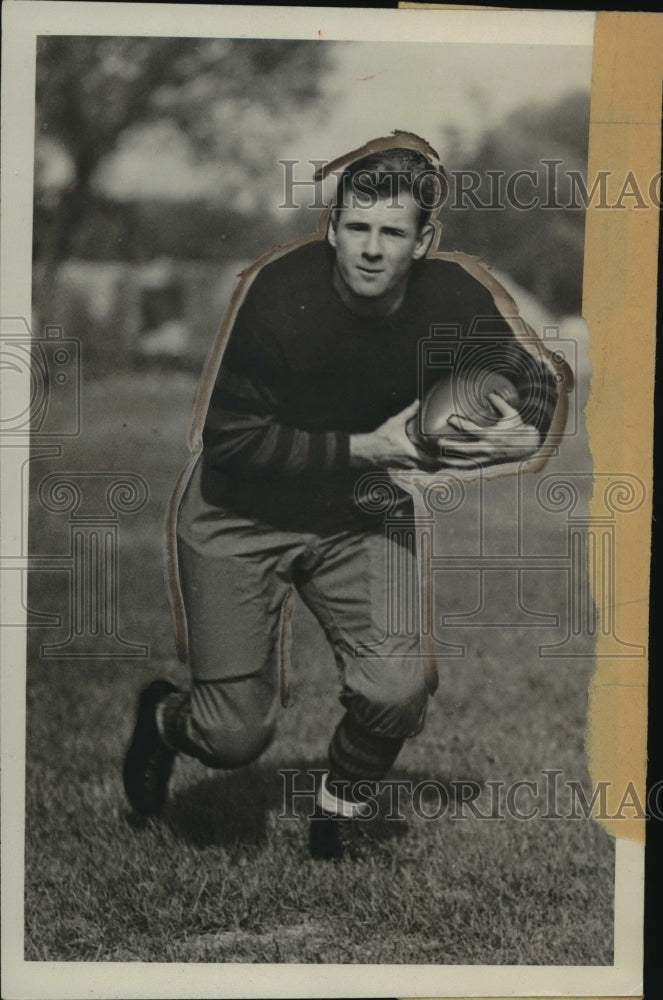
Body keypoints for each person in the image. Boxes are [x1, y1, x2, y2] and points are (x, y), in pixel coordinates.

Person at [123, 137, 559, 859]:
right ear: (331, 229)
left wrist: (529, 429)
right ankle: (163, 719)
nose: (369, 248)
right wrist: (370, 448)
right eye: (356, 227)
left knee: (395, 688)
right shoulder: (281, 293)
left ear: (424, 241)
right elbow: (231, 440)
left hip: (359, 508)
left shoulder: (450, 294)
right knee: (233, 735)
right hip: (240, 511)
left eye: (391, 232)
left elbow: (525, 367)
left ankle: (337, 815)